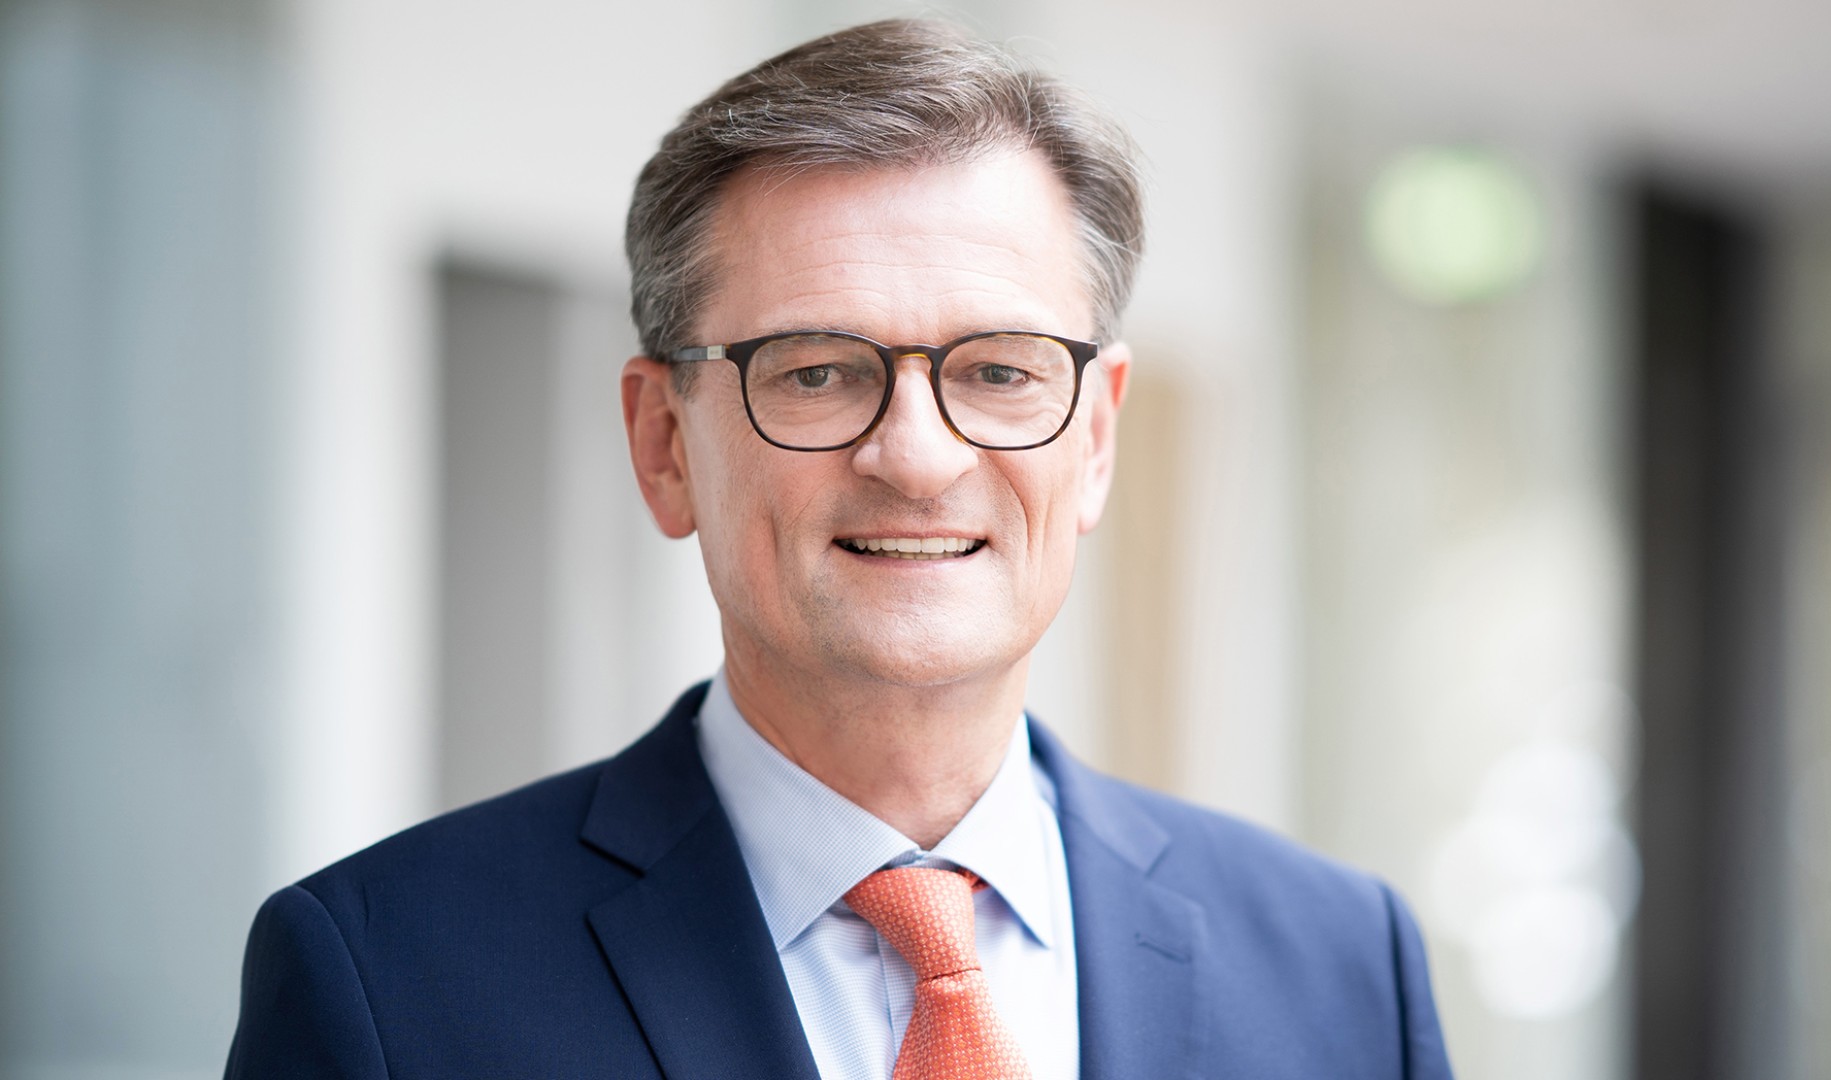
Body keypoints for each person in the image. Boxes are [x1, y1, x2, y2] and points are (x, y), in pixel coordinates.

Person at [225, 18, 1452, 1080]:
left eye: (999, 371)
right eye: (816, 372)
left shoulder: (1344, 971)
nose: (917, 457)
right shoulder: (387, 984)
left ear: (1094, 439)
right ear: (663, 444)